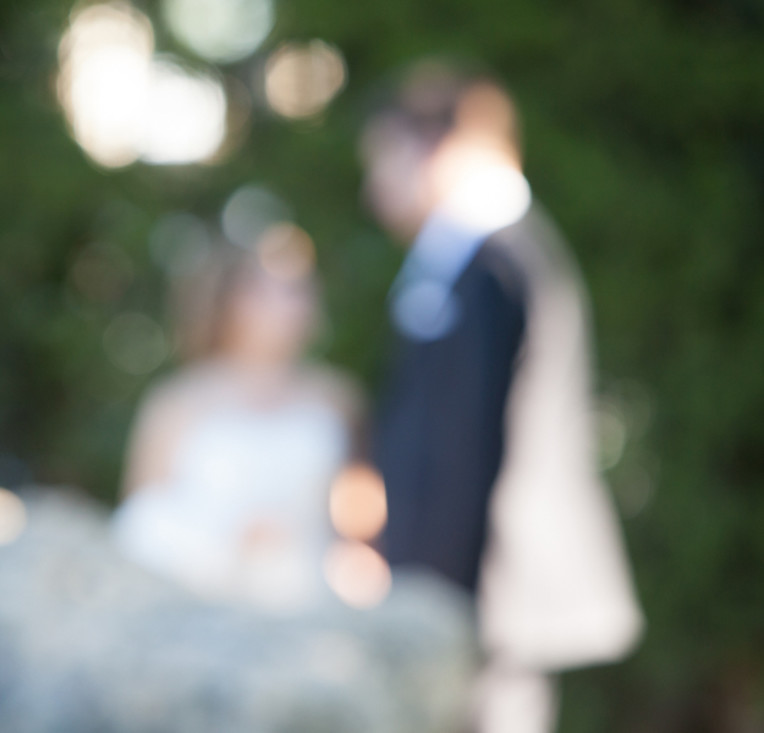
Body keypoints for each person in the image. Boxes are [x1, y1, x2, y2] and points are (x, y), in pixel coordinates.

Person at [359, 60, 644, 733]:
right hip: (478, 586)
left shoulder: (495, 262)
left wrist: (428, 590)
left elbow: (465, 441)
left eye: (386, 160)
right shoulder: (484, 255)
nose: (376, 186)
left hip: (489, 585)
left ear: (441, 150)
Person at [112, 224, 366, 613]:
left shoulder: (338, 399)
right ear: (228, 299)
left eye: (299, 288)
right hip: (198, 601)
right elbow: (141, 524)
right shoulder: (176, 403)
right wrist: (227, 540)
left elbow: (359, 518)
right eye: (268, 289)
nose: (289, 305)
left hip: (311, 601)